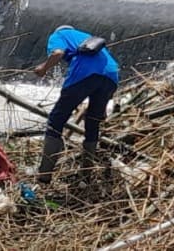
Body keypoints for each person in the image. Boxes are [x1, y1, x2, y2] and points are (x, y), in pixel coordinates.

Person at [32, 25, 119, 184]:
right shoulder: (84, 35)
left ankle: (44, 174)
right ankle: (86, 172)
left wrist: (43, 68)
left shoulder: (58, 35)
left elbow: (58, 53)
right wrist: (102, 106)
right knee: (93, 124)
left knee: (56, 120)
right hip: (112, 75)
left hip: (85, 73)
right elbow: (103, 68)